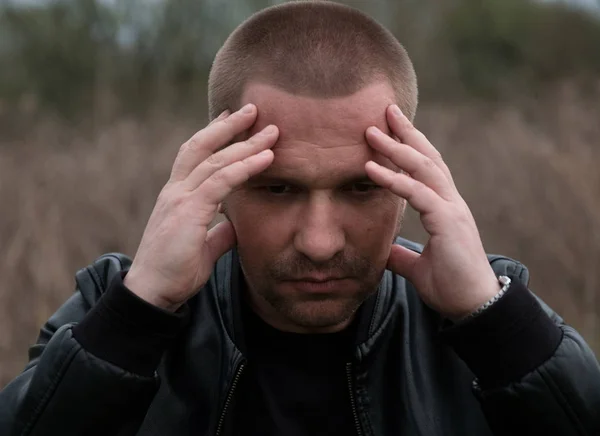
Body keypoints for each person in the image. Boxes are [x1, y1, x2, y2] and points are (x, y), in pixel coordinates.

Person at [1, 2, 599, 435]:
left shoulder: (487, 315)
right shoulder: (117, 308)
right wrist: (139, 313)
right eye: (277, 188)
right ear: (216, 181)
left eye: (361, 189)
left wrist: (493, 325)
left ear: (414, 181)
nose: (318, 243)